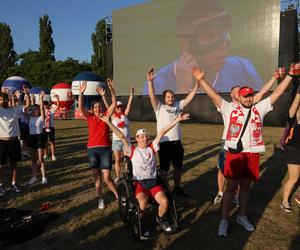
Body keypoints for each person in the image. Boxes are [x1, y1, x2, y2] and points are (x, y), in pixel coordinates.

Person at [191, 64, 296, 237]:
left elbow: (276, 94)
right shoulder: (229, 108)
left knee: (246, 188)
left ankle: (242, 216)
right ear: (239, 97)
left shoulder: (259, 108)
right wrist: (201, 80)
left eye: (250, 96)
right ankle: (224, 220)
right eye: (245, 96)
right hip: (235, 154)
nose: (248, 99)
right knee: (231, 188)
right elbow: (214, 95)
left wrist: (290, 75)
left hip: (252, 154)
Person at [142, 0, 263, 95]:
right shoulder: (157, 83)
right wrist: (182, 87)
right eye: (209, 35)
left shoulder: (243, 68)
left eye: (224, 32)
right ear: (185, 44)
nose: (223, 44)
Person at [99, 112, 190, 235]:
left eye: (146, 136)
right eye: (141, 136)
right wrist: (108, 122)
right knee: (142, 203)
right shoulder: (132, 150)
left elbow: (162, 131)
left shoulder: (152, 147)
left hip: (153, 183)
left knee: (165, 202)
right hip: (140, 184)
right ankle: (140, 223)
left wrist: (177, 119)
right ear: (136, 138)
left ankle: (160, 218)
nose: (144, 138)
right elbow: (121, 136)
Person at [213, 70, 280, 206]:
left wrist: (273, 78)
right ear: (232, 95)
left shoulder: (250, 104)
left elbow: (262, 92)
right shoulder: (228, 106)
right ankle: (220, 192)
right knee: (222, 169)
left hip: (244, 147)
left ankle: (237, 196)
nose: (240, 92)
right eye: (237, 91)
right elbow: (213, 96)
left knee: (241, 176)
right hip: (228, 142)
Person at [147, 68, 198, 197]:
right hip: (164, 143)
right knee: (164, 169)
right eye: (168, 97)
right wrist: (150, 82)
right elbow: (152, 96)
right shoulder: (159, 107)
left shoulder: (177, 106)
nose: (171, 98)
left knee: (178, 167)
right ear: (164, 98)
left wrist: (198, 83)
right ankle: (163, 190)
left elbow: (189, 98)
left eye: (172, 96)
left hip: (177, 143)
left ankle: (177, 188)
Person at [79, 79, 118, 209]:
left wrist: (111, 92)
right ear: (92, 109)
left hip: (106, 149)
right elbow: (80, 107)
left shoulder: (106, 115)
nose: (98, 108)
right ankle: (100, 199)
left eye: (99, 106)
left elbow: (113, 103)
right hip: (92, 150)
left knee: (107, 178)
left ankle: (118, 196)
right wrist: (81, 93)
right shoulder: (89, 117)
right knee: (97, 177)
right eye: (95, 107)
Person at [0, 85, 31, 195]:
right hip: (2, 142)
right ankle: (1, 185)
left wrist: (26, 94)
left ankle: (14, 183)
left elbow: (27, 105)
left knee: (14, 164)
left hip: (14, 141)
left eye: (4, 99)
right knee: (1, 165)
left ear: (8, 100)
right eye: (1, 99)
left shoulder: (15, 110)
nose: (3, 101)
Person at [280, 87, 300, 212]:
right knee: (294, 177)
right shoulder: (293, 116)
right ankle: (284, 202)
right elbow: (295, 103)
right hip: (293, 150)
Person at [111, 87, 134, 182]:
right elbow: (110, 104)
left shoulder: (125, 115)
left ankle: (128, 175)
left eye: (121, 106)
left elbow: (129, 104)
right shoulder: (112, 116)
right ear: (115, 108)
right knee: (117, 160)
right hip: (116, 141)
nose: (120, 108)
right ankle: (118, 176)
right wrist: (111, 92)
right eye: (118, 107)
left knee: (127, 159)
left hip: (126, 141)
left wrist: (131, 95)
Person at [27, 92, 48, 185]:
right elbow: (26, 109)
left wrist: (41, 99)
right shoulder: (29, 118)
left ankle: (44, 177)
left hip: (39, 138)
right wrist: (28, 96)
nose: (33, 111)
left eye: (35, 109)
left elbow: (42, 108)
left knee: (41, 159)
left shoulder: (41, 118)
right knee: (33, 159)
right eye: (32, 109)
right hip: (31, 138)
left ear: (38, 110)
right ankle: (34, 176)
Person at [43, 94, 60, 161]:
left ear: (48, 104)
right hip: (44, 128)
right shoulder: (42, 111)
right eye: (44, 105)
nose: (45, 106)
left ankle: (53, 155)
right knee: (45, 142)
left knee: (52, 142)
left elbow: (58, 106)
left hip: (51, 127)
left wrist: (57, 99)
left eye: (46, 105)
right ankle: (46, 154)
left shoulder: (51, 110)